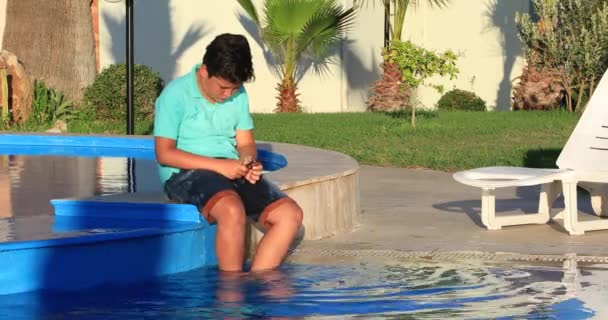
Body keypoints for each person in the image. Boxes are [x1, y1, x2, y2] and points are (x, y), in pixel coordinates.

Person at [153, 33, 303, 273]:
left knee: (290, 215)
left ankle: (257, 282)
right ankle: (231, 295)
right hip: (183, 173)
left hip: (228, 169)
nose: (228, 95)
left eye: (234, 89)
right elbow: (165, 154)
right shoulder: (174, 95)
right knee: (232, 210)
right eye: (223, 88)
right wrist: (220, 166)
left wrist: (248, 161)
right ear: (204, 71)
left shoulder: (238, 93)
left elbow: (245, 143)